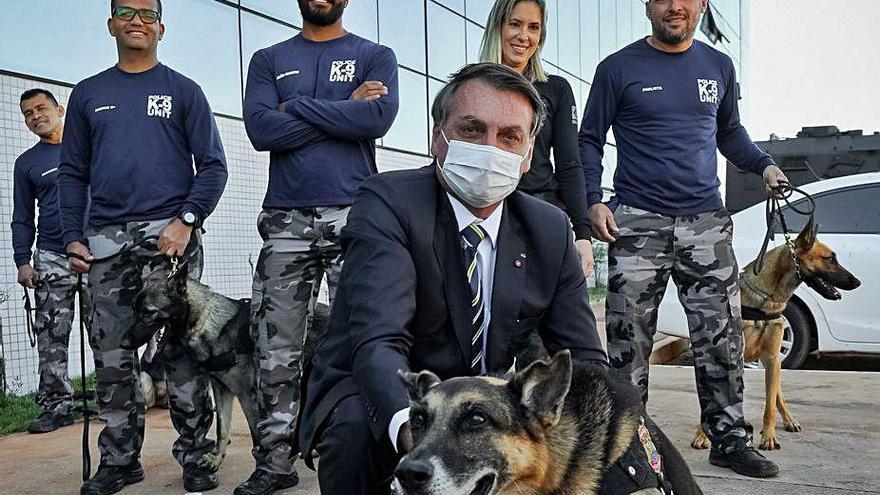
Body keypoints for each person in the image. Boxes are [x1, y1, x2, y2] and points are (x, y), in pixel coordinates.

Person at [299, 62, 607, 494]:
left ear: (528, 156)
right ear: (437, 137)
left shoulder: (550, 228)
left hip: (482, 403)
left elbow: (587, 364)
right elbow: (379, 342)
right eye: (472, 129)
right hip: (386, 388)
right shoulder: (388, 202)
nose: (490, 148)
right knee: (354, 433)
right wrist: (424, 440)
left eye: (509, 137)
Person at [578, 0, 788, 479]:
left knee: (722, 339)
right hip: (637, 221)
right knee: (628, 344)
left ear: (702, 5)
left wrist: (765, 164)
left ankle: (729, 441)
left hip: (706, 224)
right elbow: (589, 138)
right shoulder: (616, 69)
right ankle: (628, 445)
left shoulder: (718, 66)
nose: (676, 6)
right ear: (648, 5)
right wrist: (593, 199)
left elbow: (730, 133)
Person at [58, 1, 229, 493]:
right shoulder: (90, 94)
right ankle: (119, 459)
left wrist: (187, 220)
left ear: (162, 27)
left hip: (169, 243)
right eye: (126, 11)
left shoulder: (183, 91)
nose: (138, 20)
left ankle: (197, 457)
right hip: (106, 244)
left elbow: (213, 166)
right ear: (111, 23)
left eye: (148, 13)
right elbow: (73, 173)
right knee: (112, 353)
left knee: (182, 355)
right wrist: (72, 235)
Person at [238, 0, 399, 493]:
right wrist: (344, 107)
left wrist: (297, 108)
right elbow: (261, 130)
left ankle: (367, 451)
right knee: (275, 346)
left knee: (364, 338)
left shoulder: (376, 54)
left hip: (356, 212)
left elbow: (377, 119)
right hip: (285, 219)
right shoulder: (268, 58)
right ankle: (274, 463)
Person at [479, 0, 594, 277]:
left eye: (534, 27)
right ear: (498, 26)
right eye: (515, 24)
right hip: (486, 213)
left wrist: (583, 233)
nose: (524, 36)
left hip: (541, 212)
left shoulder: (556, 89)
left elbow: (570, 164)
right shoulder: (472, 86)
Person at [12, 88, 86, 434]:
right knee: (51, 335)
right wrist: (22, 260)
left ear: (60, 109)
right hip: (52, 257)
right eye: (28, 113)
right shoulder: (27, 163)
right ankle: (57, 406)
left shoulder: (88, 145)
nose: (35, 116)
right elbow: (23, 216)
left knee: (108, 333)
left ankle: (120, 401)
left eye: (41, 108)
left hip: (98, 253)